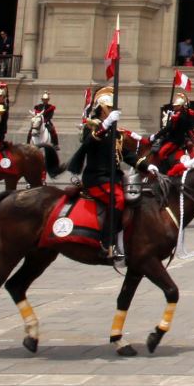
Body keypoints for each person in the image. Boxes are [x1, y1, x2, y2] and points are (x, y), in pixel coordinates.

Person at [68, 86, 125, 261]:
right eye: (110, 109)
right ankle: (107, 244)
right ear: (102, 108)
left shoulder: (114, 130)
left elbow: (125, 154)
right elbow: (88, 144)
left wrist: (146, 166)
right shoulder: (92, 126)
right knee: (118, 199)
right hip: (97, 177)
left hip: (113, 177)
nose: (112, 112)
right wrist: (106, 125)